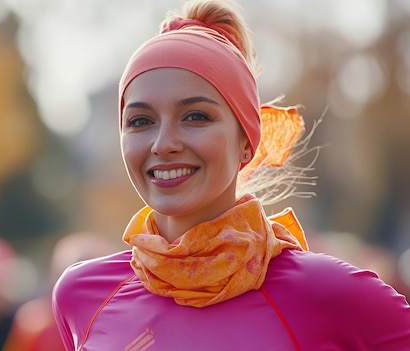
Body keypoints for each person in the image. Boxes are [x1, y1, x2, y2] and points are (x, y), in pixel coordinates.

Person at [51, 0, 410, 350]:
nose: (163, 144)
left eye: (195, 117)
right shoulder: (81, 295)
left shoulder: (329, 294)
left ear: (246, 142)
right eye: (140, 121)